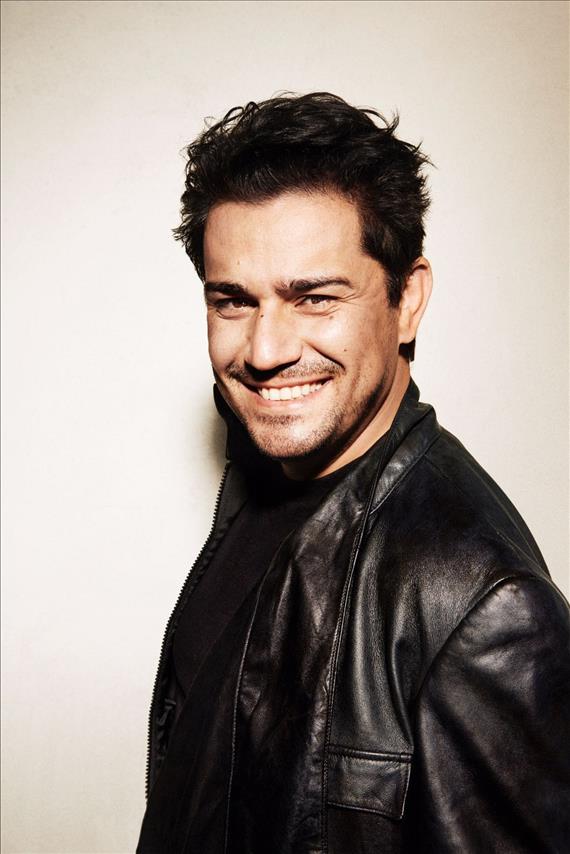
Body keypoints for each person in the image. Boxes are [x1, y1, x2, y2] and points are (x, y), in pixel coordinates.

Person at [137, 93, 570, 854]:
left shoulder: (483, 608)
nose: (265, 350)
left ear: (408, 300)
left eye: (314, 298)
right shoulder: (261, 491)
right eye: (232, 301)